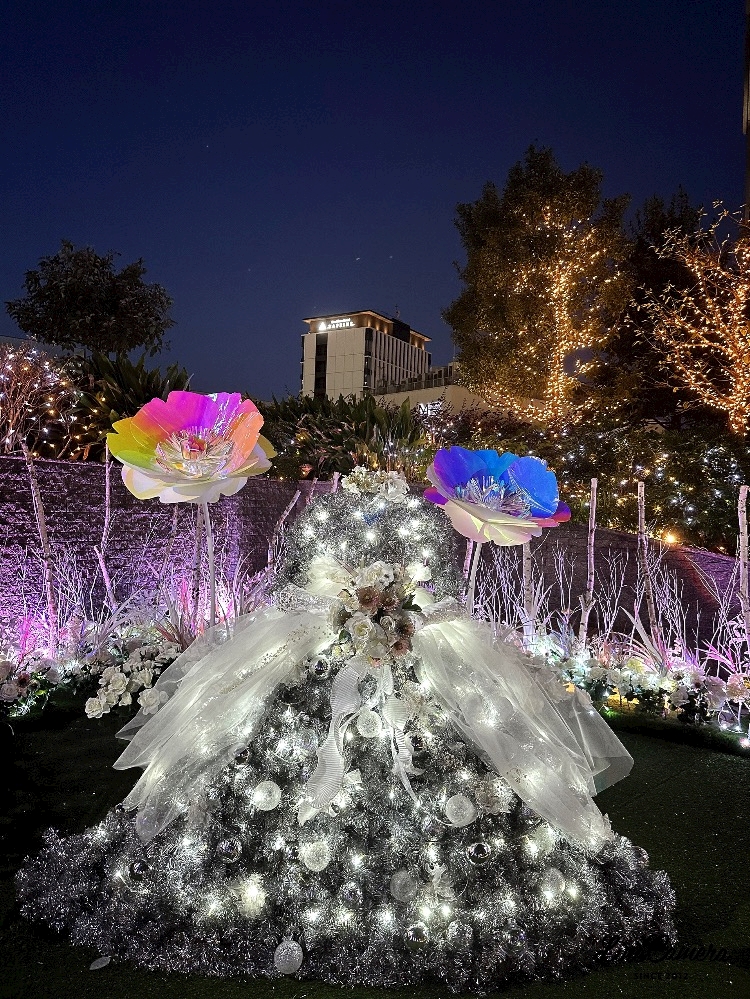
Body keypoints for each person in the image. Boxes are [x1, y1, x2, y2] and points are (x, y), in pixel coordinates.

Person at [17, 469, 675, 991]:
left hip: (400, 656)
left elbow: (420, 590)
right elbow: (306, 586)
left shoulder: (386, 535)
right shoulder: (340, 532)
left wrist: (389, 620)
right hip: (337, 651)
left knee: (458, 752)